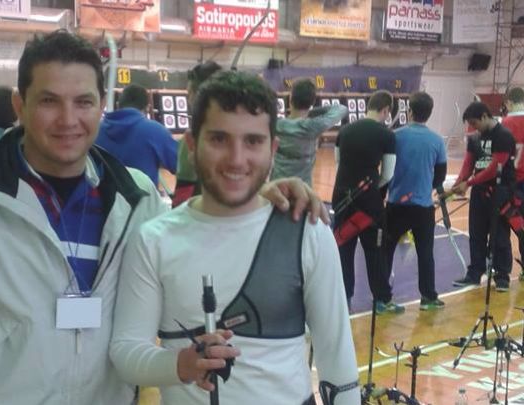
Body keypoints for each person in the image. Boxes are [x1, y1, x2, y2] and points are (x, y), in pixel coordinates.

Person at [0, 30, 324, 404]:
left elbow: (195, 235)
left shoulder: (136, 198)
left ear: (100, 107)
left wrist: (257, 199)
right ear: (20, 105)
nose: (68, 119)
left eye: (83, 102)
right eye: (49, 101)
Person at [110, 70, 359, 405]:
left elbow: (338, 360)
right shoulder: (153, 240)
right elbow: (126, 350)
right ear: (192, 145)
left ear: (272, 149)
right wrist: (179, 365)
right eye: (219, 139)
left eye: (252, 141)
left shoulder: (308, 232)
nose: (236, 159)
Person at [333, 90, 401, 314]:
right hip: (369, 203)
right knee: (375, 251)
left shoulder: (344, 130)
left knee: (344, 249)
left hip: (342, 198)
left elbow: (338, 162)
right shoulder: (386, 135)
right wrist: (372, 188)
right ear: (386, 110)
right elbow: (388, 174)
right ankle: (382, 300)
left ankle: (344, 299)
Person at [384, 92, 447, 310]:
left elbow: (386, 170)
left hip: (396, 205)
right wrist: (424, 187)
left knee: (386, 251)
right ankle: (428, 297)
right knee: (425, 253)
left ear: (409, 111)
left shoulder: (395, 136)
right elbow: (440, 176)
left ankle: (382, 298)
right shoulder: (437, 141)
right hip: (422, 207)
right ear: (429, 114)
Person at [451, 102, 516, 292]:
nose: (474, 127)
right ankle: (474, 273)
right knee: (476, 233)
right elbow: (468, 163)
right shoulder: (475, 138)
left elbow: (495, 168)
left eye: (475, 123)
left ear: (485, 116)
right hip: (479, 192)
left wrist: (468, 183)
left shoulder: (503, 136)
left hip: (499, 191)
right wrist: (459, 182)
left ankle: (502, 276)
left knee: (499, 234)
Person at [95, 83, 177, 186]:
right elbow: (180, 166)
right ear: (147, 108)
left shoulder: (95, 130)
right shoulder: (156, 131)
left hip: (102, 196)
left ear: (118, 105)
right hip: (143, 196)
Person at [271, 77, 347, 185]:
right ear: (313, 101)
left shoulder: (276, 125)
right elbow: (341, 109)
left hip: (277, 188)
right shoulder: (313, 126)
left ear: (290, 98)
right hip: (304, 190)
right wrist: (311, 111)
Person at [171, 61, 222, 208]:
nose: (188, 100)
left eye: (190, 94)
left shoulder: (192, 139)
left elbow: (183, 194)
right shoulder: (242, 131)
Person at [501, 87, 524, 280]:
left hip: (512, 184)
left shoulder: (506, 124)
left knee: (505, 225)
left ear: (509, 102)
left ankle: (503, 272)